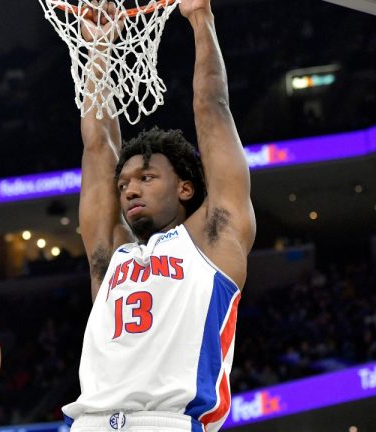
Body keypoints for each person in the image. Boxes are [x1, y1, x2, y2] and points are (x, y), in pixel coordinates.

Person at [62, 0, 256, 430]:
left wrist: (200, 17)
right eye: (125, 182)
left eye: (147, 177)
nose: (130, 187)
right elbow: (98, 148)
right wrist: (98, 49)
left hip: (168, 421)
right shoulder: (111, 255)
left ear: (186, 187)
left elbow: (212, 109)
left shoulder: (213, 239)